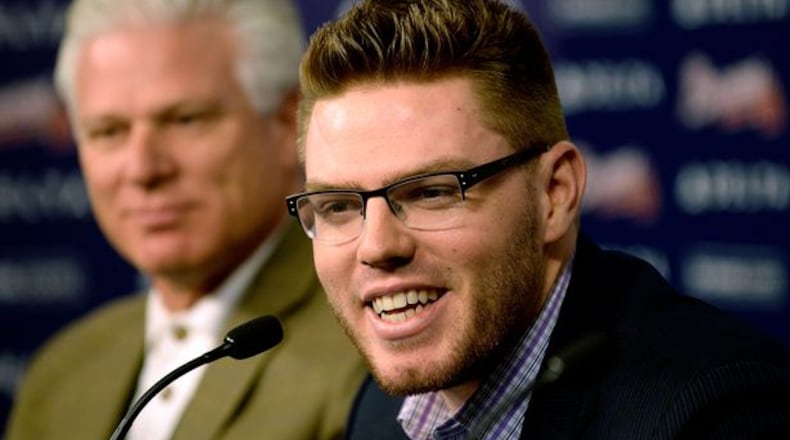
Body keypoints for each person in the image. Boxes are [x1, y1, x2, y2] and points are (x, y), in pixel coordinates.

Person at [285, 0, 790, 438]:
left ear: (555, 193)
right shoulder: (383, 406)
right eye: (337, 206)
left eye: (432, 192)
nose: (376, 246)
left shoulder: (714, 415)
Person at [5, 0, 365, 439]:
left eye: (185, 120)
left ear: (288, 122)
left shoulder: (371, 351)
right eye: (109, 131)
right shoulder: (63, 371)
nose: (143, 169)